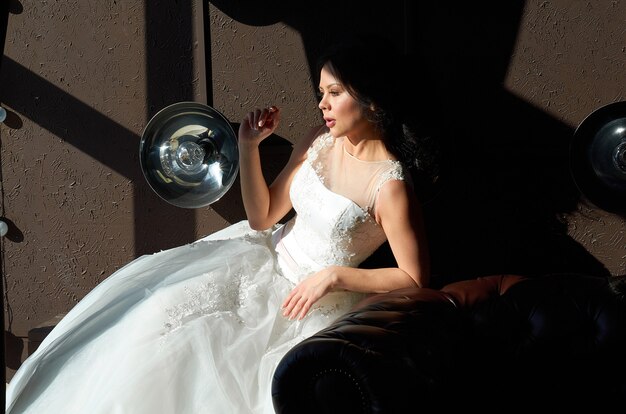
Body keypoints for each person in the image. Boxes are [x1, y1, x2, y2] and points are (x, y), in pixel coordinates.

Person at [5, 34, 430, 413]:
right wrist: (248, 147)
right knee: (157, 324)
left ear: (371, 99)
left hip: (307, 305)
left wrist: (335, 277)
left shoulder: (389, 186)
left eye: (334, 93)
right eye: (321, 92)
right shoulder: (319, 139)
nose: (322, 104)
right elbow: (263, 217)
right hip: (258, 260)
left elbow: (415, 278)